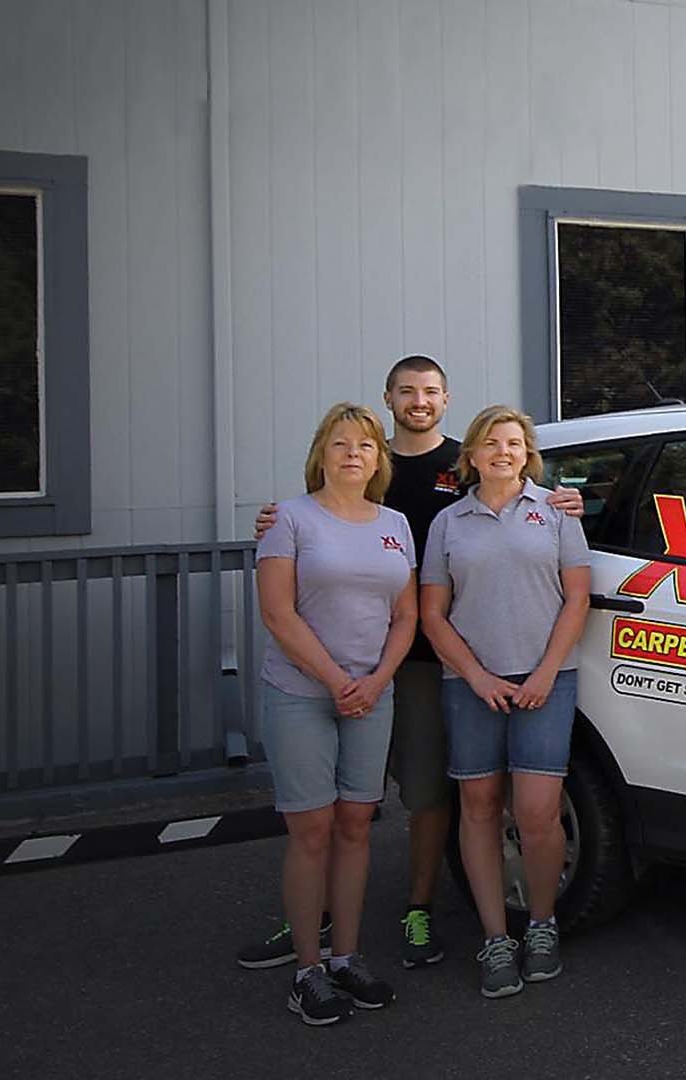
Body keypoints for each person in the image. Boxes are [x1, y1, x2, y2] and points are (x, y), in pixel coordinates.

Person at [235, 356, 584, 972]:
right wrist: (275, 518)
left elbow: (546, 543)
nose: (417, 401)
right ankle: (309, 926)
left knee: (425, 794)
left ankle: (416, 910)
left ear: (446, 399)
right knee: (331, 809)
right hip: (346, 666)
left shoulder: (467, 465)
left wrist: (569, 499)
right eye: (406, 391)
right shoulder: (355, 472)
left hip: (424, 660)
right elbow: (307, 536)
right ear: (388, 398)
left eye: (429, 391)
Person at [420, 405, 591, 999]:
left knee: (540, 812)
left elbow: (577, 601)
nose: (503, 452)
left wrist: (546, 671)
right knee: (480, 807)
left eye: (515, 443)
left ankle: (541, 925)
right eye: (491, 443)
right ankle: (496, 936)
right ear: (471, 455)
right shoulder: (449, 523)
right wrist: (475, 676)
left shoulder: (557, 512)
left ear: (528, 454)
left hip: (548, 678)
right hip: (471, 684)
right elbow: (432, 615)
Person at [255, 403, 416, 1026]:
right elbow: (278, 613)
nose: (354, 453)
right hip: (301, 693)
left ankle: (346, 956)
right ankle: (307, 969)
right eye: (341, 443)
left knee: (355, 825)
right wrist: (337, 680)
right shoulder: (289, 520)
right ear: (321, 452)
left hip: (372, 695)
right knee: (312, 830)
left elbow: (406, 615)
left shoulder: (396, 524)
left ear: (379, 459)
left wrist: (375, 681)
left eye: (366, 445)